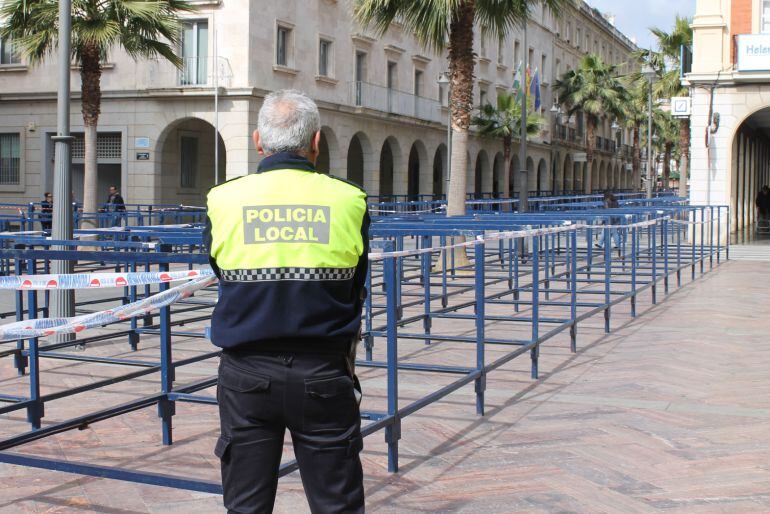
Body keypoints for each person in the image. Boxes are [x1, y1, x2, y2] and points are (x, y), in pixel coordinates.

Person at [205, 89, 369, 513]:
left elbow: (221, 273)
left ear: (259, 140)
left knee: (245, 505)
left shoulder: (222, 199)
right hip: (324, 374)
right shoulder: (350, 200)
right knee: (337, 504)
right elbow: (356, 284)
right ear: (316, 143)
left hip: (245, 375)